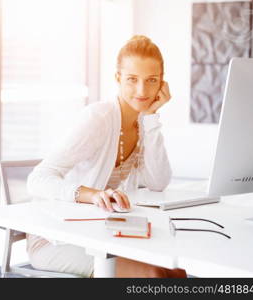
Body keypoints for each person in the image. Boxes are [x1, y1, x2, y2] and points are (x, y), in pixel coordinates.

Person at [26, 35, 187, 278]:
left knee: (176, 271)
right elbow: (37, 179)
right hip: (56, 237)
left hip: (99, 231)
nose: (142, 91)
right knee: (155, 274)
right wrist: (93, 195)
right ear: (117, 79)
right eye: (132, 79)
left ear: (161, 85)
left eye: (151, 80)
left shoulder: (144, 121)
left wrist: (152, 117)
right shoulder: (98, 119)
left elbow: (158, 183)